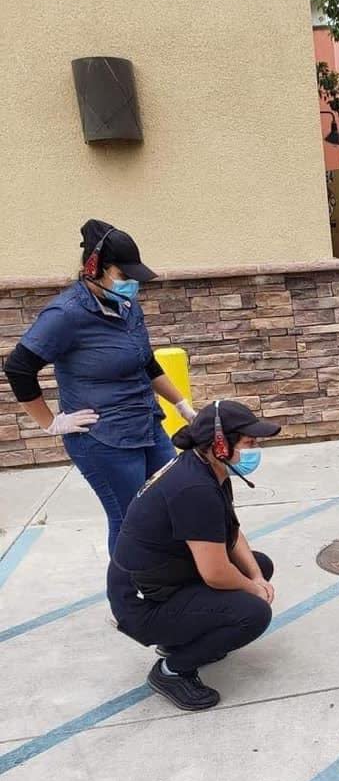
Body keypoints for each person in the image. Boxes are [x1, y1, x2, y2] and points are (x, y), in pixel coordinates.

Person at [3, 220, 196, 554]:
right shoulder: (65, 314)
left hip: (145, 424)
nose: (132, 284)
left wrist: (181, 404)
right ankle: (128, 598)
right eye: (124, 276)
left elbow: (145, 361)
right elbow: (19, 368)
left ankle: (166, 586)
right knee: (130, 520)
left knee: (174, 501)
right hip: (104, 439)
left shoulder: (126, 306)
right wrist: (51, 422)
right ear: (94, 269)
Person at [107, 400, 281, 711]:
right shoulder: (194, 489)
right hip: (141, 605)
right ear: (219, 444)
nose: (255, 451)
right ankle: (173, 669)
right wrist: (253, 589)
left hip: (162, 579)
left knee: (260, 564)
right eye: (249, 443)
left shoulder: (208, 467)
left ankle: (185, 635)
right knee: (253, 613)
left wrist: (255, 575)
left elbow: (229, 532)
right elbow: (215, 572)